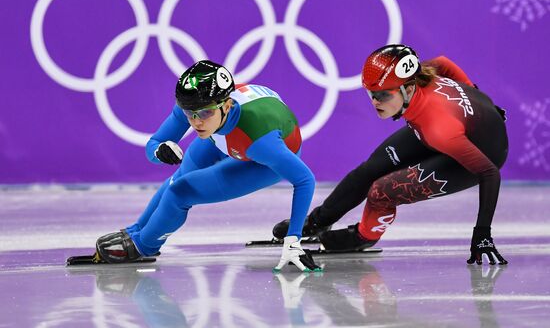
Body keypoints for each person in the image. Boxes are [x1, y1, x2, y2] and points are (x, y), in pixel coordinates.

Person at [273, 44, 508, 265]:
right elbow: (444, 63)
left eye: (384, 95)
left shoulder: (440, 129)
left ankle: (364, 235)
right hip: (450, 128)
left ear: (407, 89)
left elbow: (489, 173)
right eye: (371, 94)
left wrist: (482, 233)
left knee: (381, 192)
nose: (375, 101)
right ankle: (316, 222)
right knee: (369, 170)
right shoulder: (422, 75)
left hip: (481, 155)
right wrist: (476, 98)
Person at [95, 60, 321, 272]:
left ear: (227, 105)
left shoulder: (261, 142)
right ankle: (136, 230)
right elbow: (153, 145)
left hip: (261, 157)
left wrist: (293, 240)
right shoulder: (198, 106)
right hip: (226, 134)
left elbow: (304, 179)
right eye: (189, 114)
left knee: (180, 193)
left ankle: (144, 246)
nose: (196, 122)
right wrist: (159, 150)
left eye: (204, 113)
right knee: (178, 177)